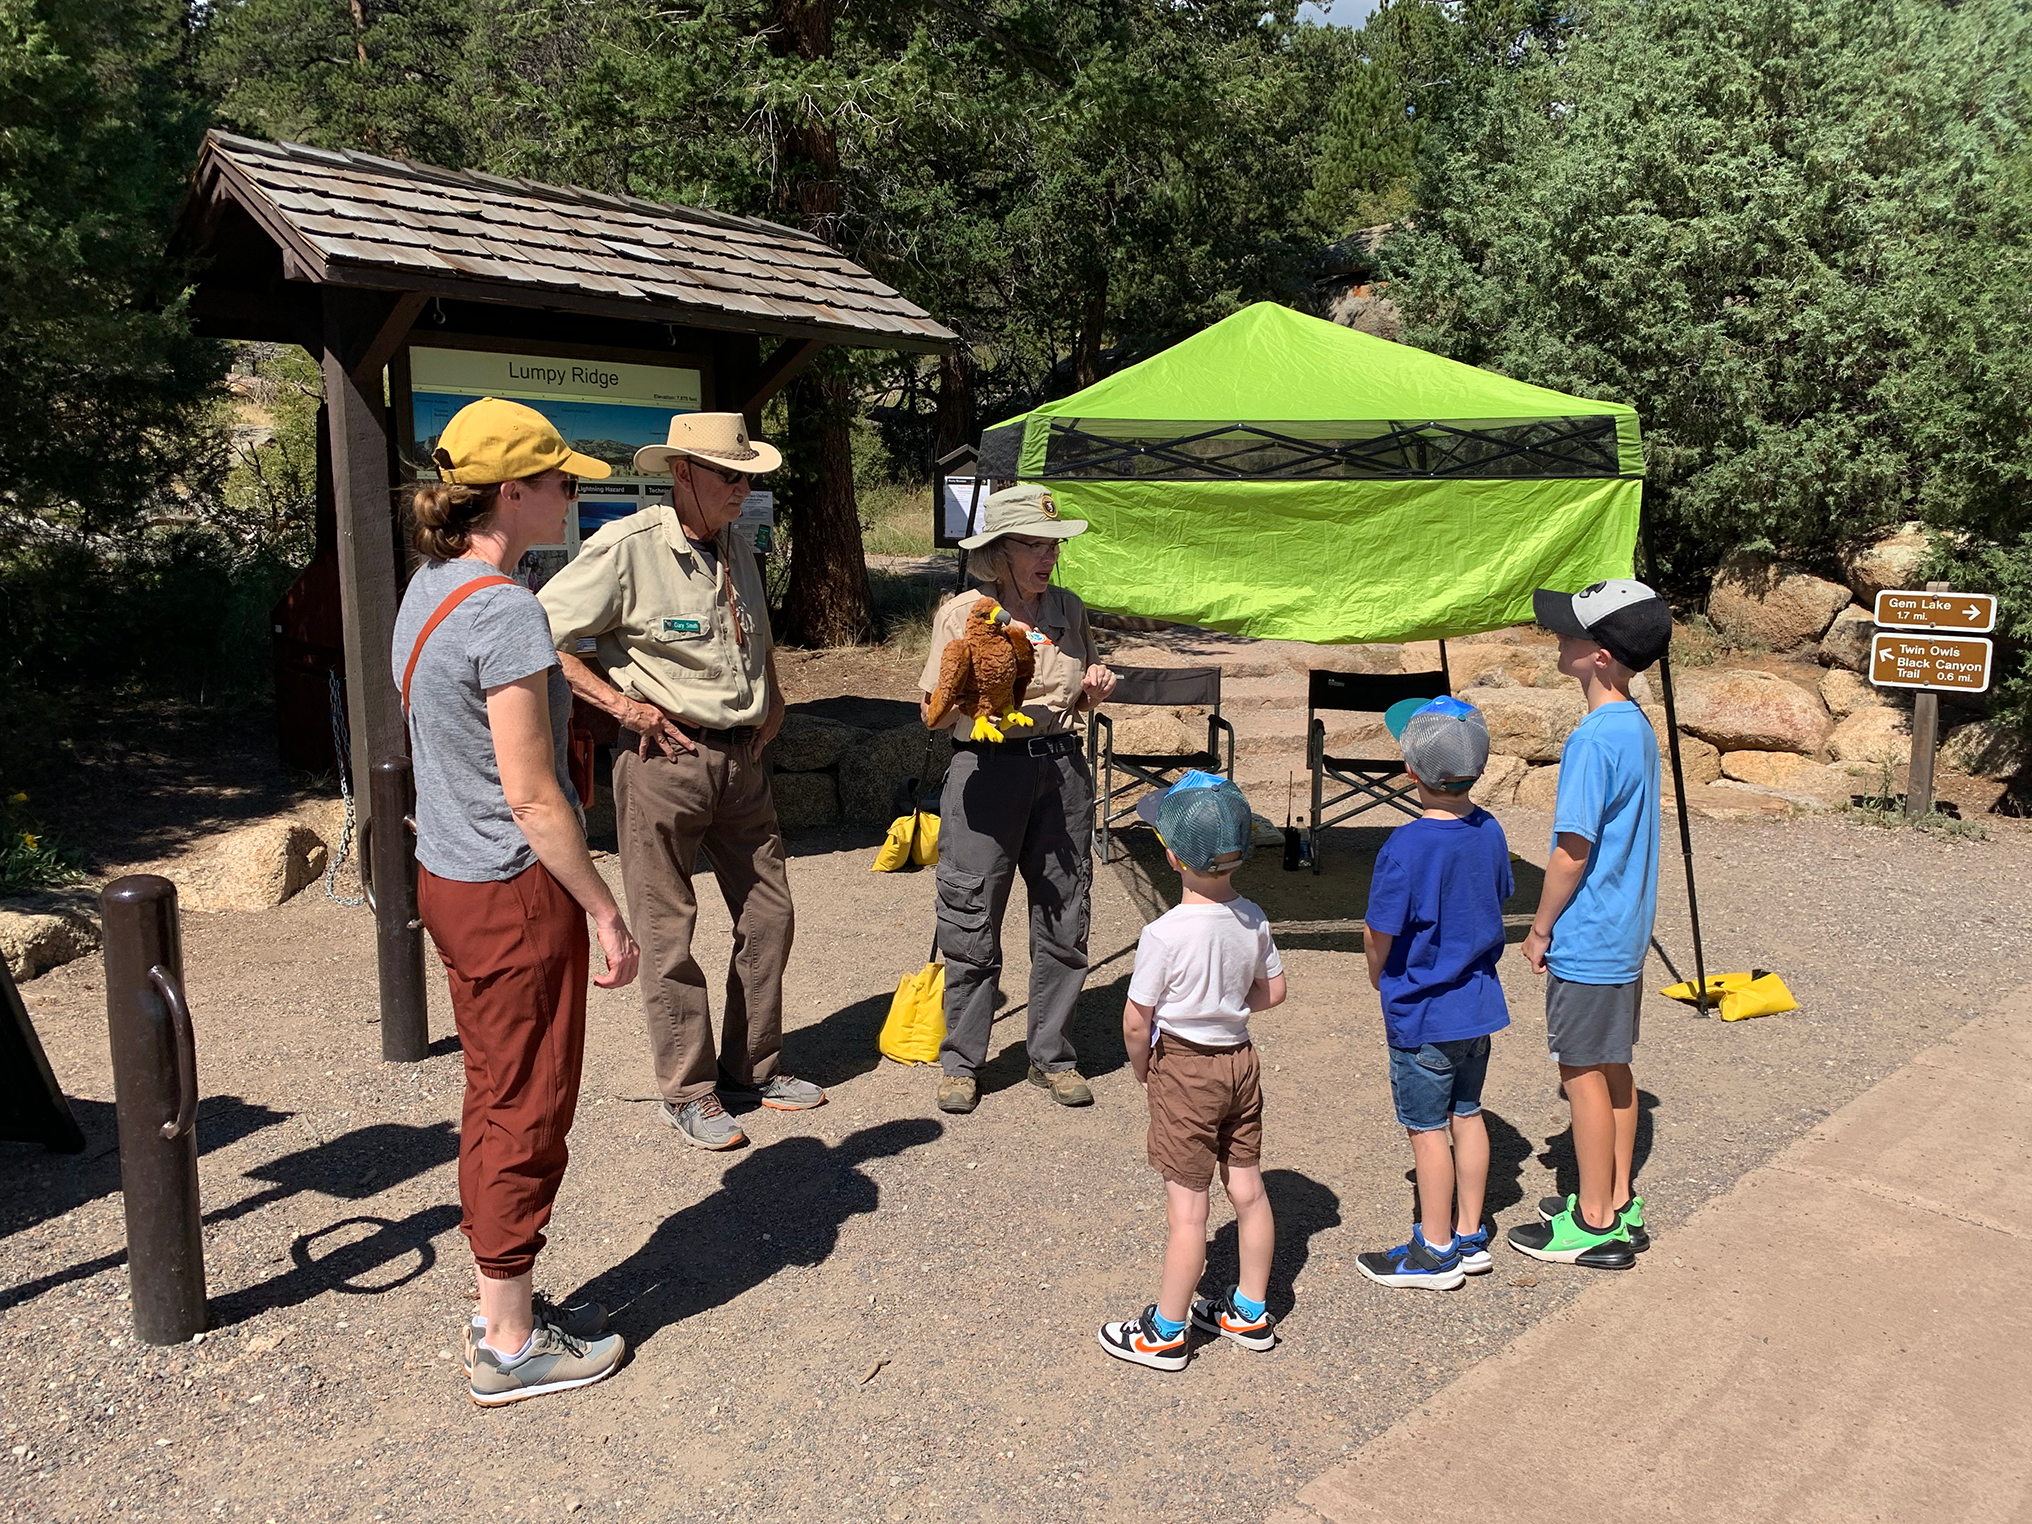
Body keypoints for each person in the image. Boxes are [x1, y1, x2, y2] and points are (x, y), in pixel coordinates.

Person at [394, 396, 638, 1406]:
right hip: (510, 886)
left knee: (497, 1087)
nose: (573, 494)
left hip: (450, 875)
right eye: (562, 481)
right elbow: (535, 795)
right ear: (513, 494)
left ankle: (509, 1301)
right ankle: (506, 1338)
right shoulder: (504, 609)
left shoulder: (433, 587)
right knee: (524, 1100)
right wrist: (604, 907)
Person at [538, 413, 822, 1154]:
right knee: (668, 930)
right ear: (682, 473)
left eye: (747, 475)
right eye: (729, 474)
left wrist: (776, 697)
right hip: (664, 761)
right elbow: (538, 630)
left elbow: (749, 637)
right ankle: (689, 1089)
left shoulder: (735, 545)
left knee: (769, 915)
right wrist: (620, 705)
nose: (742, 487)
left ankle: (751, 1069)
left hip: (741, 763)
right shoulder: (629, 548)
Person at [918, 484, 1118, 1116]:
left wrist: (1092, 689)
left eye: (1052, 544)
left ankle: (1052, 1056)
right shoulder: (963, 614)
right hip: (986, 771)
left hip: (1062, 769)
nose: (1047, 556)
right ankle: (962, 1061)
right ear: (998, 551)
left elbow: (1072, 692)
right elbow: (932, 707)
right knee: (972, 913)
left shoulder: (1068, 608)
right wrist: (977, 689)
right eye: (1032, 543)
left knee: (1065, 912)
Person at [1508, 579, 1673, 1268]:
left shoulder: (1591, 741)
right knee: (1613, 1067)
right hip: (1624, 932)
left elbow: (1571, 851)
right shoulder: (1635, 726)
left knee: (1580, 1071)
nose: (1558, 637)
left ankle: (1596, 1219)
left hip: (1589, 935)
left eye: (1570, 631)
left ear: (1599, 656)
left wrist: (1541, 927)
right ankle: (1618, 1195)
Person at [1099, 775, 1286, 1371]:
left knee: (1188, 1211)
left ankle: (1165, 1331)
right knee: (1249, 1192)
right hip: (1240, 1062)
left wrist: (1143, 1070)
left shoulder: (1163, 933)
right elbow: (1273, 991)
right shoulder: (1253, 918)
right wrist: (1229, 1005)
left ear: (1171, 854)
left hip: (1184, 1066)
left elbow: (1137, 1019)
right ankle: (1250, 1312)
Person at [1356, 697, 1513, 1291]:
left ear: (1411, 773)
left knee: (1426, 1130)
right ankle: (1471, 1235)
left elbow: (1380, 931)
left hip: (1423, 1010)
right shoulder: (1491, 829)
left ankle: (1435, 1249)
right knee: (1467, 1114)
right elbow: (1496, 895)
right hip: (1477, 1003)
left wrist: (1380, 973)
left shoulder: (1405, 846)